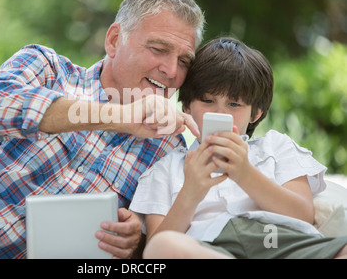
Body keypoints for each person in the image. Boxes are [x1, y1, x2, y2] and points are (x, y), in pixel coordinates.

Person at [0, 0, 204, 259]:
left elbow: (158, 243)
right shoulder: (48, 68)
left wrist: (134, 242)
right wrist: (120, 116)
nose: (171, 70)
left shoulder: (168, 150)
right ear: (113, 40)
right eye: (158, 49)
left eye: (183, 61)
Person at [129, 37, 347, 259]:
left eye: (234, 104)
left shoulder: (276, 147)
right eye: (207, 100)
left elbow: (303, 215)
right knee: (163, 247)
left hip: (282, 243)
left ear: (256, 113)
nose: (220, 113)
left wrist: (245, 173)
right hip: (210, 247)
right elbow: (154, 252)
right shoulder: (165, 169)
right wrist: (190, 192)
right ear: (186, 106)